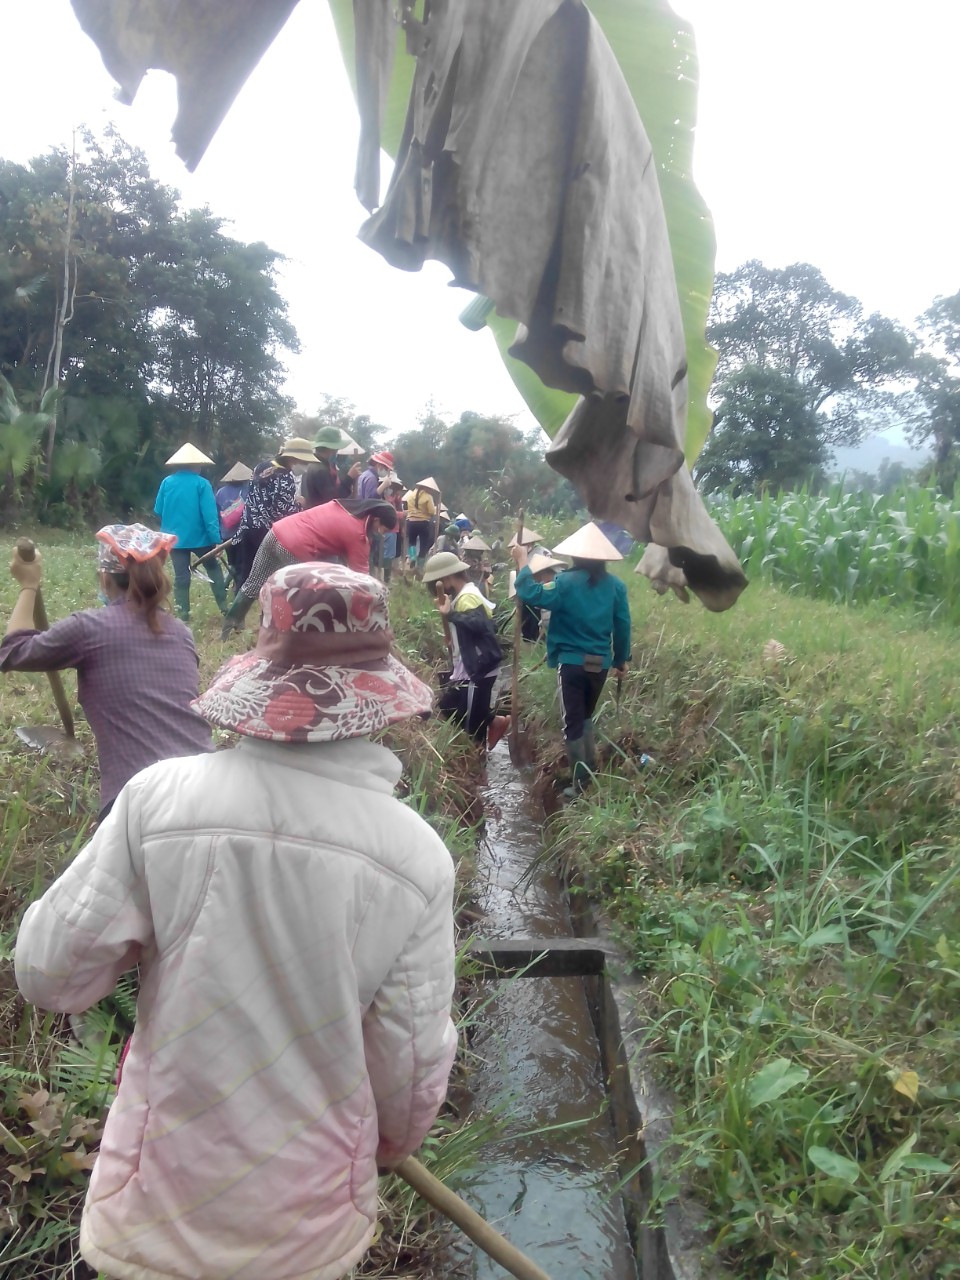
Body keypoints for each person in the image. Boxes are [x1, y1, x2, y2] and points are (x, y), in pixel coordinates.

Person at [15, 562, 457, 1280]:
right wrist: (380, 1147)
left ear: (262, 680)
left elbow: (47, 972)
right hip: (303, 1232)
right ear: (377, 702)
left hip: (152, 1212)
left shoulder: (158, 801)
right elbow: (405, 1075)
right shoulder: (414, 857)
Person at [1, 524, 213, 820]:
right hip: (209, 789)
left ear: (104, 579)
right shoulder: (181, 632)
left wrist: (28, 585)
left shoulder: (89, 627)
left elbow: (12, 652)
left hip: (140, 802)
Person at [512, 522, 631, 796]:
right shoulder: (616, 587)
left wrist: (521, 562)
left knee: (573, 721)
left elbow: (531, 593)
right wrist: (621, 660)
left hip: (572, 663)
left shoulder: (564, 582)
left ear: (575, 556)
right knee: (585, 716)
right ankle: (587, 772)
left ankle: (580, 784)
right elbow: (623, 625)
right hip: (599, 664)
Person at [221, 498, 397, 636]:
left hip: (276, 532)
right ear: (376, 519)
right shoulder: (358, 535)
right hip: (295, 547)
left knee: (253, 582)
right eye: (383, 529)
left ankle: (228, 629)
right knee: (306, 595)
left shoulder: (343, 506)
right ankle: (291, 633)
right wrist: (378, 602)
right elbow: (361, 580)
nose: (382, 534)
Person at [422, 551, 508, 750]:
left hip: (478, 667)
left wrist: (451, 614)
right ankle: (495, 723)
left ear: (447, 578)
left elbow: (480, 624)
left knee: (471, 723)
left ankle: (478, 762)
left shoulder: (467, 597)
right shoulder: (464, 594)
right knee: (450, 705)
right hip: (472, 665)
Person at [153, 442, 228, 619]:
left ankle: (183, 615)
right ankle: (225, 609)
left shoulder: (166, 482)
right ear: (196, 465)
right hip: (201, 538)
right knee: (213, 569)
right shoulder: (202, 484)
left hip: (174, 540)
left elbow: (158, 510)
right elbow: (209, 515)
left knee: (181, 577)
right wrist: (216, 539)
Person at [230, 447, 302, 590]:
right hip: (268, 531)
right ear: (292, 459)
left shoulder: (260, 467)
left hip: (248, 525)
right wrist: (299, 505)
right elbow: (282, 510)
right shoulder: (285, 476)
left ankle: (238, 608)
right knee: (272, 571)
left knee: (246, 571)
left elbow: (252, 495)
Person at [510, 552, 566, 642]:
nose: (539, 581)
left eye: (538, 577)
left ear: (544, 572)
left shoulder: (556, 586)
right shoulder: (563, 582)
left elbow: (529, 592)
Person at [301, 424, 351, 508]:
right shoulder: (321, 470)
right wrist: (349, 478)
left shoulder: (311, 465)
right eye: (336, 450)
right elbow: (333, 500)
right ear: (330, 449)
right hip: (319, 516)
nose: (336, 453)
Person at [405, 478, 440, 575]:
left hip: (411, 522)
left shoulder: (410, 495)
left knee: (412, 542)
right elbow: (432, 511)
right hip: (423, 523)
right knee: (423, 546)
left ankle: (412, 557)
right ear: (426, 488)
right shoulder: (428, 497)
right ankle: (419, 568)